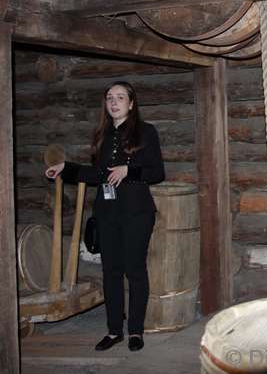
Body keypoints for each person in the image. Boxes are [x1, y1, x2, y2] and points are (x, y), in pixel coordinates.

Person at [45, 81, 164, 352]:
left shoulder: (146, 132)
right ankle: (113, 331)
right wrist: (66, 169)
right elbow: (98, 175)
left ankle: (135, 331)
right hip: (107, 213)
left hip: (137, 213)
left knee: (134, 270)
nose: (114, 102)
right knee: (110, 272)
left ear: (131, 104)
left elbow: (157, 172)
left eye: (120, 97)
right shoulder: (102, 134)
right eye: (110, 97)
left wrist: (129, 170)